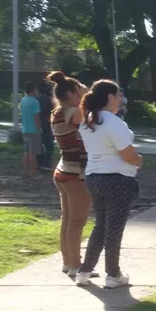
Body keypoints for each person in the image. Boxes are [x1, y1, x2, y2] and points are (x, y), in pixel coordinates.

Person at [75, 80, 143, 288]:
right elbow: (127, 153)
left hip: (95, 177)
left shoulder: (88, 121)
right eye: (118, 95)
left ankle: (85, 270)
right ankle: (113, 274)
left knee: (101, 225)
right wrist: (139, 160)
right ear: (110, 97)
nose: (120, 99)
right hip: (118, 179)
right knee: (114, 228)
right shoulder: (112, 122)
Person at [48, 71, 91, 279]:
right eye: (81, 87)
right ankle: (76, 265)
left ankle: (68, 262)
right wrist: (90, 95)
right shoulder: (73, 111)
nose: (85, 89)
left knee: (68, 220)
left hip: (64, 170)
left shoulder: (58, 111)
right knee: (77, 221)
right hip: (76, 173)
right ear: (73, 91)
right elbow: (94, 116)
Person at [19, 82, 42, 177]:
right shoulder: (35, 102)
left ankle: (25, 171)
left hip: (25, 129)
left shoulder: (22, 100)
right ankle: (34, 172)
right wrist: (39, 129)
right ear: (33, 90)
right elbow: (36, 117)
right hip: (33, 130)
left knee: (26, 151)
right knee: (33, 153)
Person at [37, 83, 55, 171]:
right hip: (47, 123)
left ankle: (39, 162)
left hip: (37, 122)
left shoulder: (35, 99)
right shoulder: (49, 100)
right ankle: (46, 163)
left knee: (38, 144)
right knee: (49, 145)